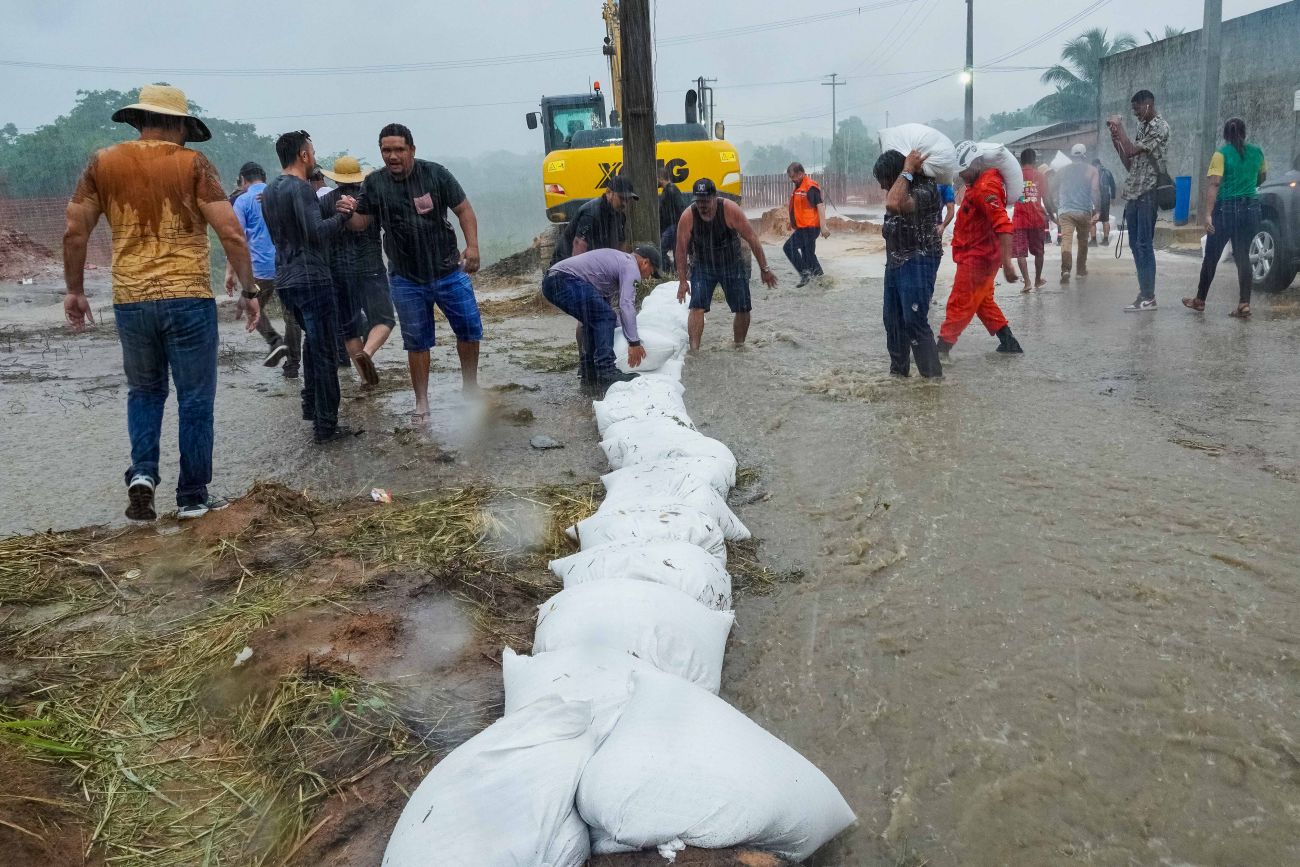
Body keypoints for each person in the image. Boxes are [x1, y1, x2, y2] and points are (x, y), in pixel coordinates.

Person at [62, 84, 261, 521]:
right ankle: (191, 496)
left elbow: (76, 231)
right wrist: (249, 291)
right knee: (194, 399)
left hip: (131, 300)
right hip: (187, 297)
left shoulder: (103, 163)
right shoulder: (193, 164)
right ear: (177, 124)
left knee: (145, 392)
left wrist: (74, 290)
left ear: (139, 120)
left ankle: (143, 475)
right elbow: (230, 233)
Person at [347, 123, 483, 422]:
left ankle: (470, 388)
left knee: (469, 330)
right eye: (386, 150)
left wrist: (472, 247)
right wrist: (346, 211)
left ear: (412, 150)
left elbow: (464, 210)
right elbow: (361, 223)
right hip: (405, 277)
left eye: (398, 149)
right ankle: (422, 401)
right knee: (416, 342)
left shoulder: (435, 174)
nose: (392, 156)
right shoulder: (375, 184)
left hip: (448, 270)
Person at [261, 130, 360, 444]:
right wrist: (344, 216)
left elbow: (287, 232)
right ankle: (326, 426)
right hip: (312, 277)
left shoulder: (271, 190)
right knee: (326, 351)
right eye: (313, 153)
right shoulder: (301, 188)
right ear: (303, 155)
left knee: (310, 345)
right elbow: (316, 233)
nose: (315, 158)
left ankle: (311, 408)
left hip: (286, 279)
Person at [937, 143, 1023, 358]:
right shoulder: (979, 182)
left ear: (975, 163)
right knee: (982, 301)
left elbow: (1003, 225)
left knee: (960, 301)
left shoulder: (986, 188)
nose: (961, 176)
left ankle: (940, 350)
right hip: (978, 254)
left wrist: (1009, 263)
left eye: (963, 170)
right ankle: (1008, 342)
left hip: (979, 257)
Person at [542, 245, 663, 394]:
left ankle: (589, 373)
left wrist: (620, 332)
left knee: (595, 320)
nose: (648, 277)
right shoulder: (631, 267)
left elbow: (609, 315)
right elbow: (626, 305)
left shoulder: (617, 262)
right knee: (604, 316)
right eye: (651, 272)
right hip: (563, 280)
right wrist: (634, 342)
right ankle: (606, 371)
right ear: (645, 262)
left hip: (552, 281)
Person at [675, 178, 778, 352]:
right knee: (697, 306)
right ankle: (694, 352)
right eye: (699, 201)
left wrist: (764, 269)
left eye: (706, 201)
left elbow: (752, 238)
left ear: (715, 197)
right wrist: (683, 281)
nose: (703, 206)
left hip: (731, 263)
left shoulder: (730, 210)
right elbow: (680, 250)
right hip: (703, 265)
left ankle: (739, 345)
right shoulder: (688, 216)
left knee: (743, 307)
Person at [321, 155, 396, 385]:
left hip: (339, 272)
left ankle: (365, 379)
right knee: (384, 319)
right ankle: (368, 353)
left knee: (350, 328)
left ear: (335, 180)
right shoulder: (369, 198)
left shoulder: (325, 202)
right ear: (359, 177)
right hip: (370, 268)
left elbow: (320, 233)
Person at [1184, 117, 1267, 319]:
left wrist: (1208, 215)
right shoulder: (1257, 152)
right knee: (1243, 256)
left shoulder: (1221, 154)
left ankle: (1200, 300)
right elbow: (1262, 177)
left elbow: (1214, 185)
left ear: (1225, 134)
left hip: (1226, 210)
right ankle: (1244, 303)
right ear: (1244, 132)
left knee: (1211, 256)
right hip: (1251, 209)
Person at [873, 149, 944, 379]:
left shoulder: (925, 191)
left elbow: (895, 203)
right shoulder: (899, 189)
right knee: (892, 321)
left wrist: (907, 169)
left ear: (897, 174)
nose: (884, 188)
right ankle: (898, 377)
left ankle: (933, 383)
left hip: (919, 261)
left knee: (914, 321)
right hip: (894, 263)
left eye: (885, 181)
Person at [228, 161, 302, 376]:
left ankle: (274, 340)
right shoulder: (277, 194)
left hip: (259, 268)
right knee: (292, 316)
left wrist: (231, 272)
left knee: (251, 306)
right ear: (264, 177)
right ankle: (292, 365)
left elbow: (236, 239)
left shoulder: (242, 201)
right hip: (287, 263)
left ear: (243, 179)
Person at [1108, 89, 1171, 312]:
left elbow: (1133, 149)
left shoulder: (1159, 127)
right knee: (1135, 246)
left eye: (1137, 109)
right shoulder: (1143, 127)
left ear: (1148, 104)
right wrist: (1116, 139)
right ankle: (1144, 293)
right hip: (1135, 192)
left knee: (1144, 245)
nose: (1134, 113)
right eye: (1132, 110)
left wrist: (1121, 128)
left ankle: (1149, 296)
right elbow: (1130, 162)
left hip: (1149, 192)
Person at [553, 174, 636, 263]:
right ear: (608, 192)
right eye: (621, 198)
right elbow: (578, 251)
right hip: (565, 264)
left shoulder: (620, 216)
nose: (624, 203)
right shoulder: (591, 214)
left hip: (594, 263)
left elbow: (620, 247)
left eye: (627, 200)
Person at [1054, 143, 1100, 284]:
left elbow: (1052, 189)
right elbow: (1094, 191)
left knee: (1066, 240)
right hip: (1084, 211)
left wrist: (1056, 206)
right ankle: (1080, 270)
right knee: (1083, 241)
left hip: (1066, 211)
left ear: (1071, 155)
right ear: (1084, 155)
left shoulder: (1062, 171)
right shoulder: (1091, 170)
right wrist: (1097, 210)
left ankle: (1066, 269)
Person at [783, 162, 828, 287]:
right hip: (804, 227)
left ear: (801, 173)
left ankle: (805, 275)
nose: (792, 180)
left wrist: (823, 226)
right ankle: (821, 281)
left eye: (793, 177)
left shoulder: (810, 187)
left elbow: (820, 206)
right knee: (809, 256)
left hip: (810, 228)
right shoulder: (800, 186)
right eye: (790, 177)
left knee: (788, 248)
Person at [1012, 148, 1049, 291]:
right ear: (1034, 161)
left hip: (1019, 220)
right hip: (1036, 219)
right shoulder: (1040, 176)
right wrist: (1052, 214)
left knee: (1021, 253)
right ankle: (1037, 279)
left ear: (1021, 161)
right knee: (1039, 251)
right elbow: (1047, 198)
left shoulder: (1015, 176)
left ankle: (1027, 282)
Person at [658, 166, 687, 272]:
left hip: (673, 226)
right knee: (674, 251)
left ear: (661, 178)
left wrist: (680, 226)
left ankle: (669, 270)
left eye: (657, 179)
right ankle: (673, 271)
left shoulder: (671, 190)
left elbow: (681, 208)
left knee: (661, 250)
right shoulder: (669, 190)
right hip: (672, 226)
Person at [1090, 158, 1116, 246]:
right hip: (1105, 198)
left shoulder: (1092, 172)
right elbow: (1113, 185)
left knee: (1093, 220)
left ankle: (1093, 241)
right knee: (1105, 219)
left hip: (1095, 199)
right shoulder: (1107, 172)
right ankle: (1106, 240)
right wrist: (1112, 197)